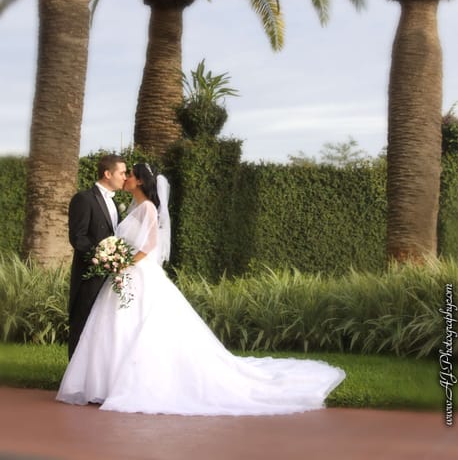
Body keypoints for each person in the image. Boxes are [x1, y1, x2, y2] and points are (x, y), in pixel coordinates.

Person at [57, 163, 345, 415]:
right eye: (124, 173)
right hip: (122, 275)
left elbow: (149, 246)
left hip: (136, 273)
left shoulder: (146, 208)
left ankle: (139, 381)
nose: (127, 178)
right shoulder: (129, 207)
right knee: (114, 328)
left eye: (130, 174)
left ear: (140, 181)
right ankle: (106, 381)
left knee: (138, 328)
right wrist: (114, 260)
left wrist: (123, 263)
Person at [67, 153, 127, 359]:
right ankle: (72, 383)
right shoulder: (83, 199)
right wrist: (102, 256)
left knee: (101, 330)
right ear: (107, 173)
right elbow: (78, 237)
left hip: (109, 276)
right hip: (89, 276)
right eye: (122, 172)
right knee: (82, 325)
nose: (125, 177)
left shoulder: (115, 202)